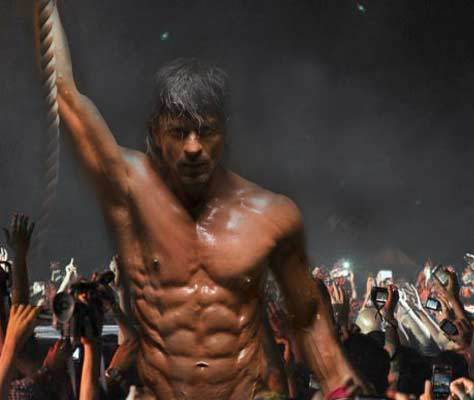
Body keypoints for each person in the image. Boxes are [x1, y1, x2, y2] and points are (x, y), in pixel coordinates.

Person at [31, 3, 362, 399]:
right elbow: (65, 91)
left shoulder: (272, 216)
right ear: (157, 133)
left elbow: (313, 331)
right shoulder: (132, 187)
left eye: (205, 132)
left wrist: (344, 393)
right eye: (179, 132)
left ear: (224, 132)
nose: (192, 148)